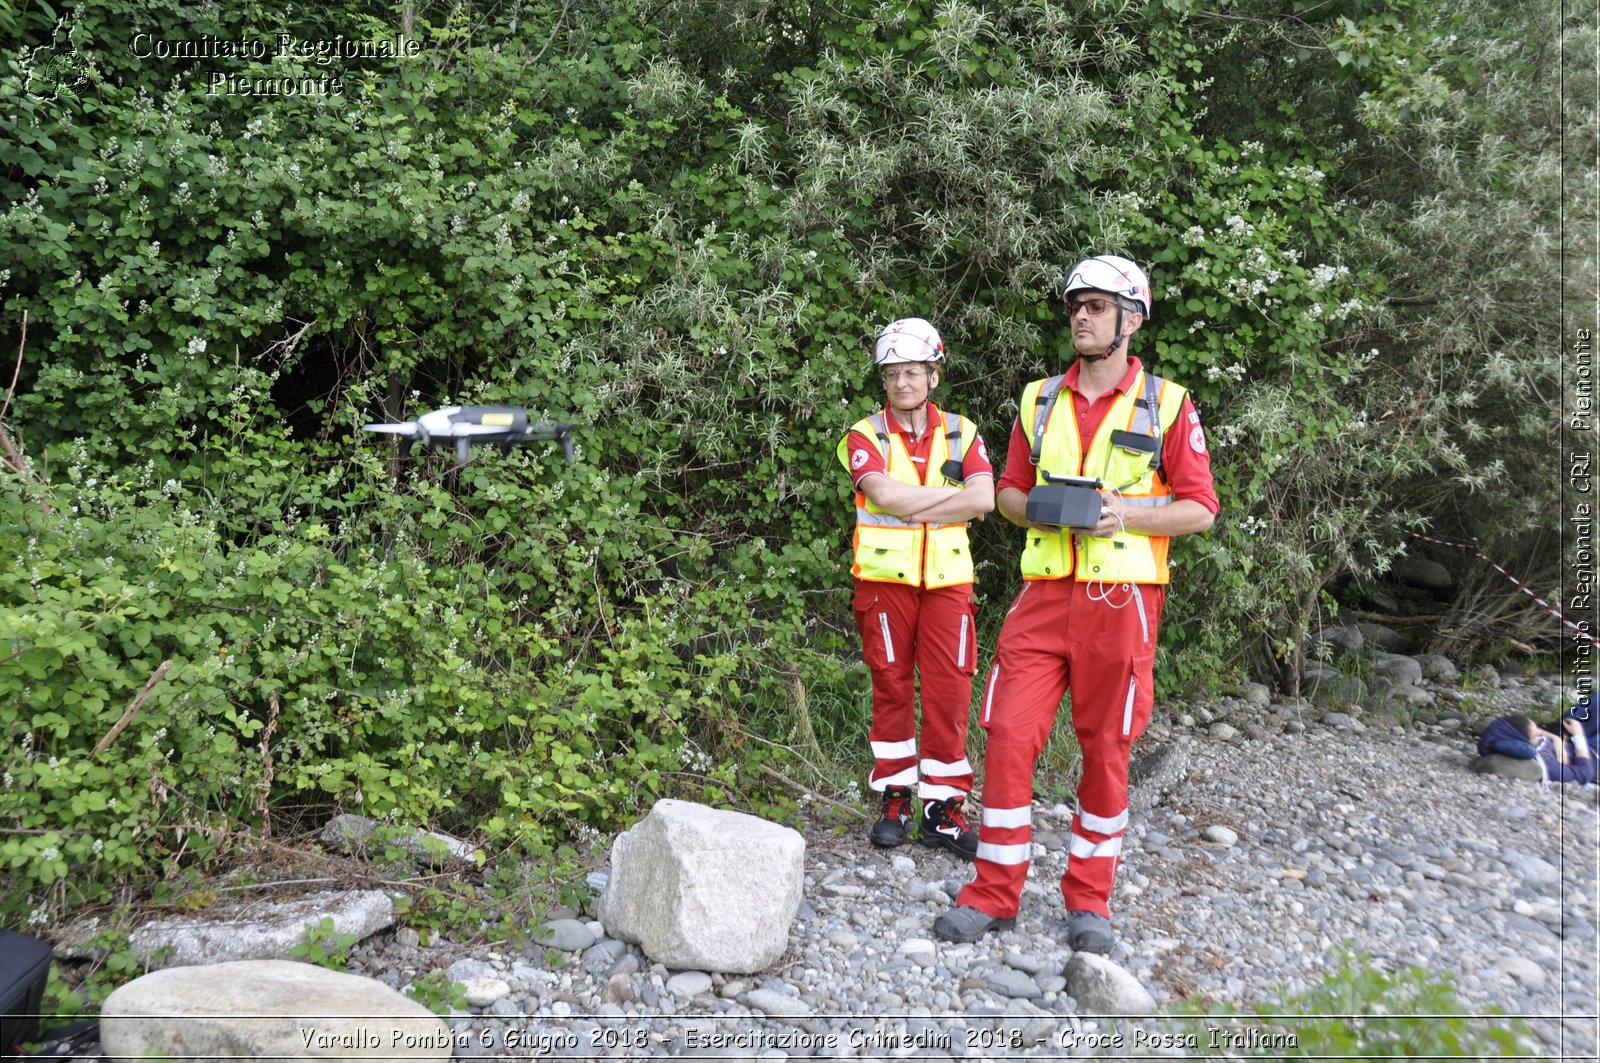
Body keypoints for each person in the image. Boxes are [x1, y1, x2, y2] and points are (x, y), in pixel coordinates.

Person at [931, 255, 1219, 953]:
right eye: (1075, 306)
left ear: (1132, 318)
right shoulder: (1039, 398)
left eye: (1095, 305)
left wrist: (1128, 515)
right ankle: (993, 893)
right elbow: (1004, 494)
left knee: (1106, 750)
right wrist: (1045, 508)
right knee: (1006, 736)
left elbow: (1200, 508)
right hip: (1043, 597)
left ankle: (1089, 901)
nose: (1080, 316)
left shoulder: (1170, 403)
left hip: (1122, 604)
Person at [836, 317, 996, 858]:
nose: (902, 382)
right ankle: (895, 799)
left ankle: (943, 811)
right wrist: (946, 504)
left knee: (951, 693)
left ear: (933, 375)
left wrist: (915, 502)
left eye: (912, 371)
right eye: (892, 373)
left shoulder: (962, 430)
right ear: (883, 381)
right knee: (892, 689)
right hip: (884, 585)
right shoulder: (864, 433)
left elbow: (986, 500)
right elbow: (882, 495)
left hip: (949, 585)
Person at [1480, 713, 1595, 785]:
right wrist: (1579, 735)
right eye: (1536, 735)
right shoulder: (1544, 764)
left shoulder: (1523, 738)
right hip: (1588, 753)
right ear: (1523, 742)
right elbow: (1584, 774)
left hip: (1565, 736)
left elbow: (1534, 731)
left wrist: (1555, 738)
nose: (1540, 734)